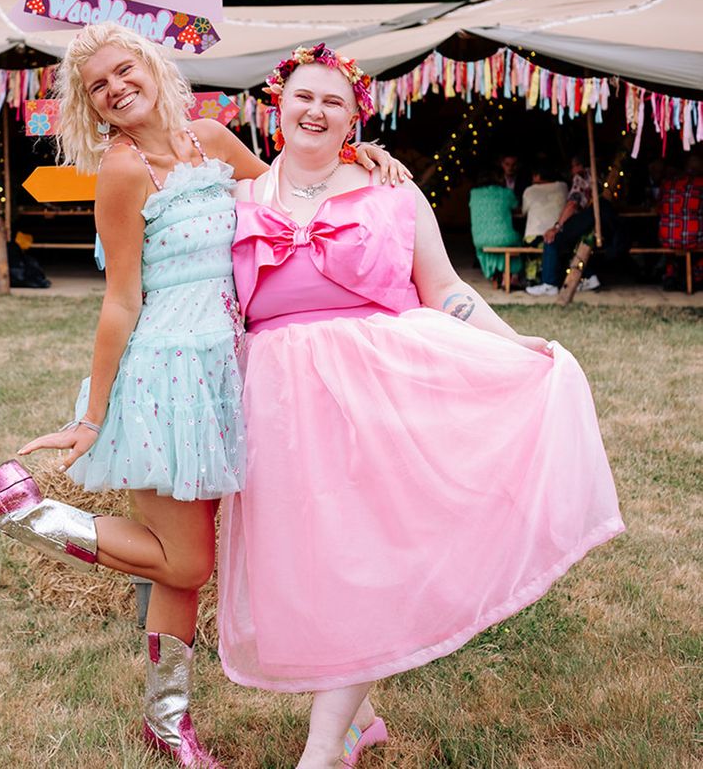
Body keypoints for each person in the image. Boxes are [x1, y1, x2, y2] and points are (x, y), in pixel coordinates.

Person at [0, 23, 408, 768]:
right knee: (187, 563)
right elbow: (121, 301)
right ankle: (27, 511)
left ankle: (169, 725)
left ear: (152, 66)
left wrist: (360, 157)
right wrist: (90, 416)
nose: (116, 89)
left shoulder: (212, 141)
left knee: (179, 562)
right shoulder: (124, 172)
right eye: (99, 86)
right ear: (90, 107)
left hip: (227, 371)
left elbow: (290, 190)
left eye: (123, 71)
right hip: (164, 377)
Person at [216, 45, 624, 768]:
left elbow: (442, 288)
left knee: (369, 555)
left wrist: (513, 342)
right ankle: (359, 715)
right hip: (278, 400)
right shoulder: (238, 193)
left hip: (379, 387)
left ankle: (324, 748)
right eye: (304, 96)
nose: (316, 111)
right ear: (277, 104)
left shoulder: (392, 193)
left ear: (356, 118)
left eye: (333, 102)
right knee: (313, 563)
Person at [525, 155, 601, 295]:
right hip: (595, 222)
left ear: (578, 166)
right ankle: (589, 277)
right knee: (572, 242)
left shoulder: (581, 177)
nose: (572, 170)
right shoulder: (597, 177)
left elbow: (573, 203)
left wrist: (557, 227)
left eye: (572, 166)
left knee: (552, 238)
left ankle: (549, 283)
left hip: (585, 218)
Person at [658, 152, 703, 291]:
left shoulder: (667, 183)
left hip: (667, 238)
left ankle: (671, 272)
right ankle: (697, 275)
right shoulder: (701, 183)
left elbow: (659, 207)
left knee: (675, 242)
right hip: (693, 239)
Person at [468, 169, 522, 285]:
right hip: (505, 238)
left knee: (493, 243)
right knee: (516, 240)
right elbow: (516, 207)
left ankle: (493, 272)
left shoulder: (474, 193)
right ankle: (512, 273)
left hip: (479, 240)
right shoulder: (506, 193)